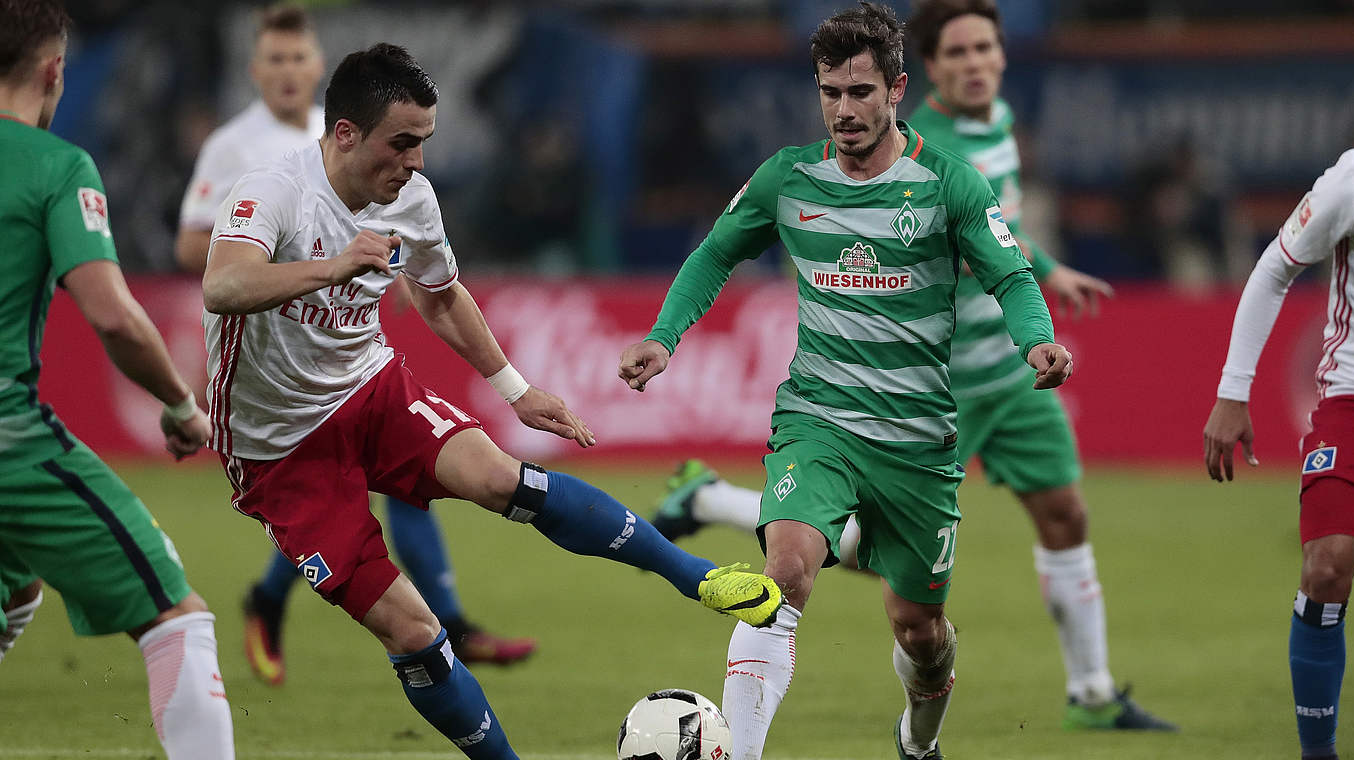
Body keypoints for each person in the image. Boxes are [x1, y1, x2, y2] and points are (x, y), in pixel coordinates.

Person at [200, 43, 782, 757]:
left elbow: (440, 297)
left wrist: (517, 390)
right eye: (402, 143)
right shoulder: (272, 190)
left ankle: (696, 575)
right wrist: (334, 265)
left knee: (503, 478)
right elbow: (222, 286)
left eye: (425, 143)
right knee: (414, 633)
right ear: (346, 134)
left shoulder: (410, 199)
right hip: (278, 448)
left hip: (368, 387)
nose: (416, 161)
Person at [648, 0, 1176, 734]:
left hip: (919, 440)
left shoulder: (950, 182)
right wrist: (665, 336)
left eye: (860, 92)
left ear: (896, 91)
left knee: (921, 633)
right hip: (819, 420)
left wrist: (1036, 340)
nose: (844, 109)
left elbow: (1010, 272)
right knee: (786, 577)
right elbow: (715, 254)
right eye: (830, 92)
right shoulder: (786, 179)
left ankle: (920, 740)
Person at [174, 3, 533, 685]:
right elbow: (198, 246)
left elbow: (382, 226)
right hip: (269, 350)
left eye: (298, 58)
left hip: (344, 339)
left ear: (316, 67)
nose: (287, 71)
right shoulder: (235, 150)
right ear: (255, 70)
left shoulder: (348, 136)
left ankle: (444, 621)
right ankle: (302, 602)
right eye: (273, 59)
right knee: (345, 494)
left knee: (407, 477)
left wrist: (380, 264)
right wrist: (278, 259)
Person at [0, 1, 234, 757]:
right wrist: (178, 402)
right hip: (9, 447)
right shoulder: (56, 167)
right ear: (54, 70)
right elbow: (115, 316)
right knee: (178, 616)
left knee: (16, 590)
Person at [1204, 148, 1354, 760]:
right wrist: (1232, 391)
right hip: (1352, 400)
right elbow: (1275, 267)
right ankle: (1316, 752)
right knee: (1327, 564)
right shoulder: (1352, 181)